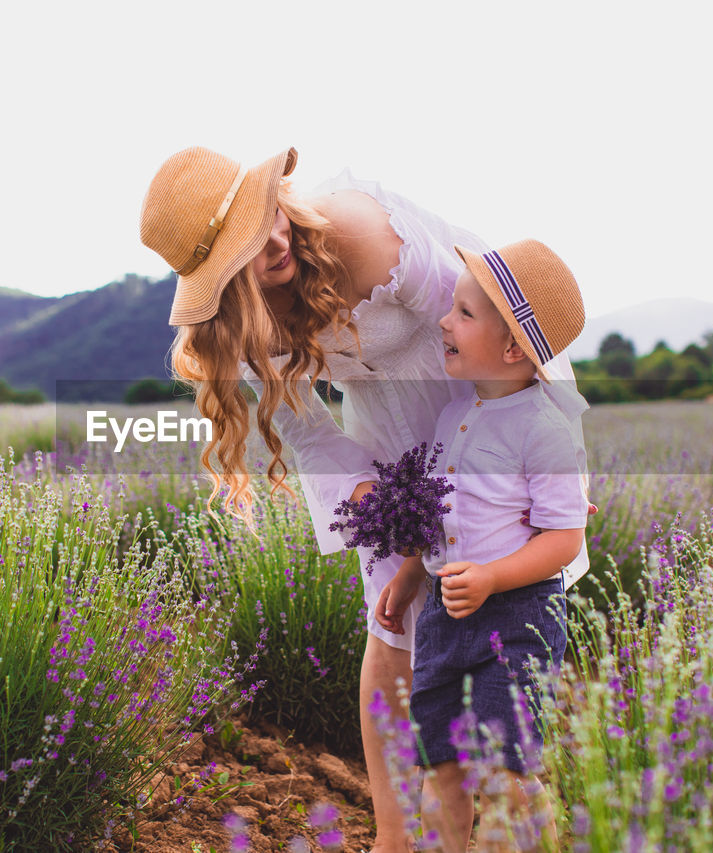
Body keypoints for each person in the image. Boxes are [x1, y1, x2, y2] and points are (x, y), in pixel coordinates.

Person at [139, 146, 589, 852]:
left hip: (478, 397)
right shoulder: (247, 329)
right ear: (219, 279)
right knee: (392, 620)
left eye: (268, 215)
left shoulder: (360, 232)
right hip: (383, 426)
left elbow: (481, 333)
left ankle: (511, 812)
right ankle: (395, 838)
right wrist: (377, 501)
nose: (277, 239)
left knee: (504, 589)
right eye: (246, 245)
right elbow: (308, 434)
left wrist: (529, 475)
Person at [375, 239, 589, 852]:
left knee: (506, 771)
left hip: (516, 618)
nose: (444, 321)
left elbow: (565, 539)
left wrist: (494, 578)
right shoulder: (454, 417)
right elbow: (444, 514)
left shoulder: (544, 430)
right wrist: (415, 571)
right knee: (441, 768)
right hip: (447, 615)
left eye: (465, 314)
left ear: (513, 347)